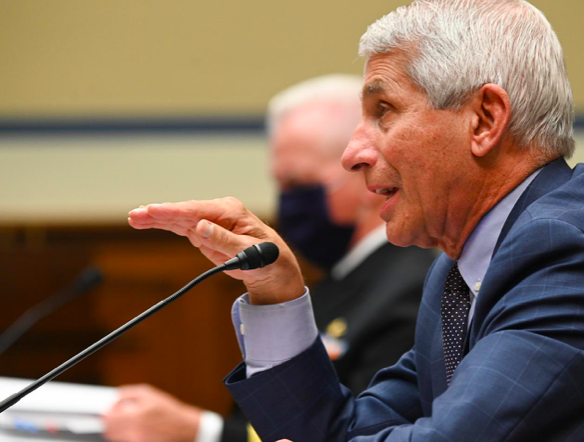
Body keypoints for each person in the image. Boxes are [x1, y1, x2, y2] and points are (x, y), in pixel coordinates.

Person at [127, 0, 584, 440]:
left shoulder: (565, 256)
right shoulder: (459, 272)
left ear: (484, 120)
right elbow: (336, 431)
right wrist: (277, 293)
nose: (352, 154)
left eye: (383, 111)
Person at [102, 75, 436, 442]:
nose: (288, 203)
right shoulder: (338, 276)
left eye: (300, 184)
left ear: (366, 172)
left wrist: (201, 433)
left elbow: (359, 428)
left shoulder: (416, 286)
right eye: (281, 186)